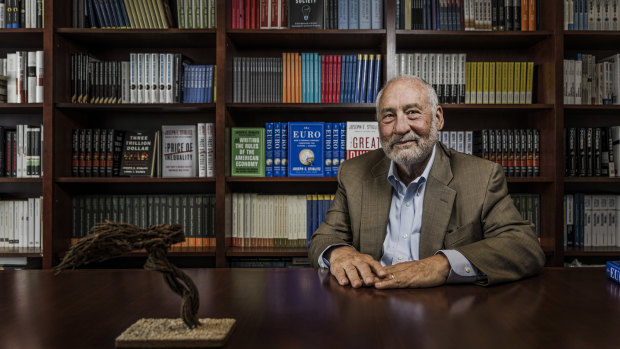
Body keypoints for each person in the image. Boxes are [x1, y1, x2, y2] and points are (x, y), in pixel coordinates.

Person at [308, 76, 546, 289]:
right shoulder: (353, 173)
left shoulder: (482, 177)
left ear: (438, 118)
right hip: (371, 306)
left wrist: (441, 265)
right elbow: (324, 238)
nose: (401, 128)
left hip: (445, 312)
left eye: (412, 112)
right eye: (389, 116)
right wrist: (339, 253)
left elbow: (524, 246)